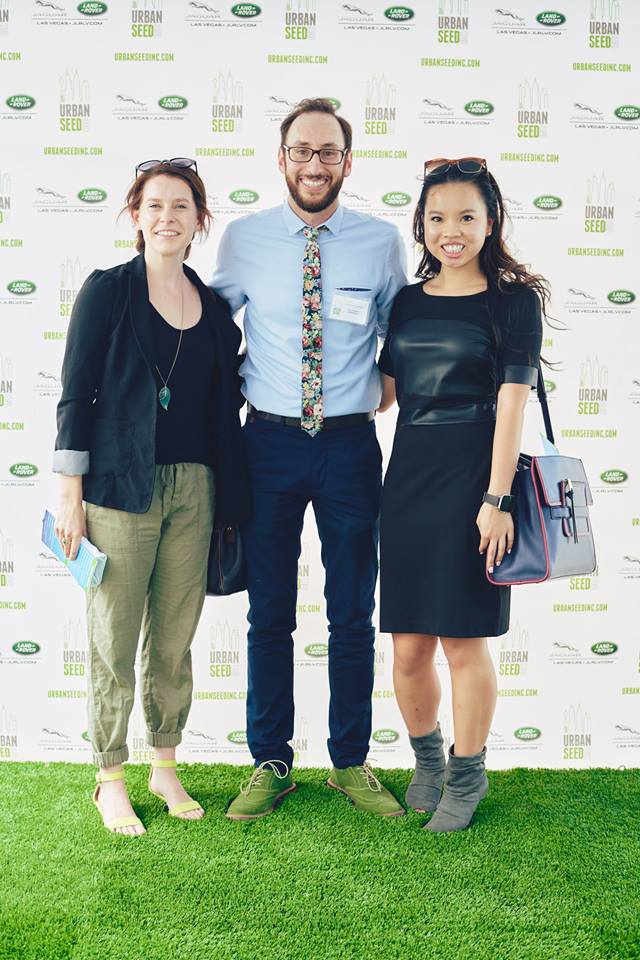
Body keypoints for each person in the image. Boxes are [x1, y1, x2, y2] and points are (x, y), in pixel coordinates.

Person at [211, 98, 407, 820]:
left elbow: (403, 327)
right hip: (267, 443)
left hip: (352, 445)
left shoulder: (380, 241)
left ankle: (350, 762)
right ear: (282, 158)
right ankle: (271, 759)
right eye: (302, 151)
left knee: (353, 609)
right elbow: (207, 325)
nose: (315, 164)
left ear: (347, 163)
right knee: (270, 612)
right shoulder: (245, 239)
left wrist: (386, 379)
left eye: (328, 152)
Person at [54, 158, 249, 836]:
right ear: (135, 215)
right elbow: (76, 395)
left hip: (195, 487)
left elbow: (230, 401)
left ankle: (164, 764)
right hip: (118, 489)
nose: (168, 217)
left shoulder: (215, 307)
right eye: (155, 205)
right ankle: (110, 776)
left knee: (173, 638)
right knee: (113, 637)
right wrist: (68, 494)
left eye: (182, 206)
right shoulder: (107, 292)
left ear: (201, 220)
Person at [378, 157, 545, 833]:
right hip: (407, 482)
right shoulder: (408, 302)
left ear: (490, 221)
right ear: (420, 223)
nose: (451, 231)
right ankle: (427, 762)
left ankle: (468, 773)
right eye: (438, 217)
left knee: (463, 642)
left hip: (476, 485)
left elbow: (512, 405)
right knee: (408, 647)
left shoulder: (512, 301)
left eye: (466, 217)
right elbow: (386, 395)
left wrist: (497, 498)